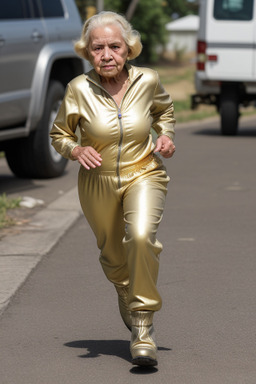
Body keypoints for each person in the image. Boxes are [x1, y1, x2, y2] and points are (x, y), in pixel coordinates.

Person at [50, 11, 176, 367]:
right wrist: (75, 149)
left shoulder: (147, 80)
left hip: (144, 172)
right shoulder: (78, 89)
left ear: (128, 49)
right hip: (97, 181)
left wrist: (166, 137)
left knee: (139, 237)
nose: (106, 54)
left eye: (114, 47)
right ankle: (125, 288)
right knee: (113, 257)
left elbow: (164, 112)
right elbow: (58, 134)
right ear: (88, 52)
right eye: (97, 48)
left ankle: (142, 326)